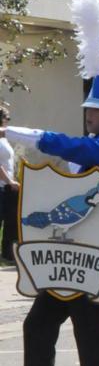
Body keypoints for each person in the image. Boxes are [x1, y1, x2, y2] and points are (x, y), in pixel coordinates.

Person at [0, 0, 99, 366]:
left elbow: (88, 152)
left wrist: (31, 135)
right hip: (63, 250)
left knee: (90, 331)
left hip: (94, 253)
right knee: (39, 327)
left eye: (94, 111)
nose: (88, 116)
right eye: (88, 110)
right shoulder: (90, 140)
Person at [0, 105, 17, 263]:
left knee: (11, 221)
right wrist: (9, 180)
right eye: (7, 118)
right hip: (2, 185)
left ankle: (7, 253)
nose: (7, 122)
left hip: (7, 186)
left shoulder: (3, 138)